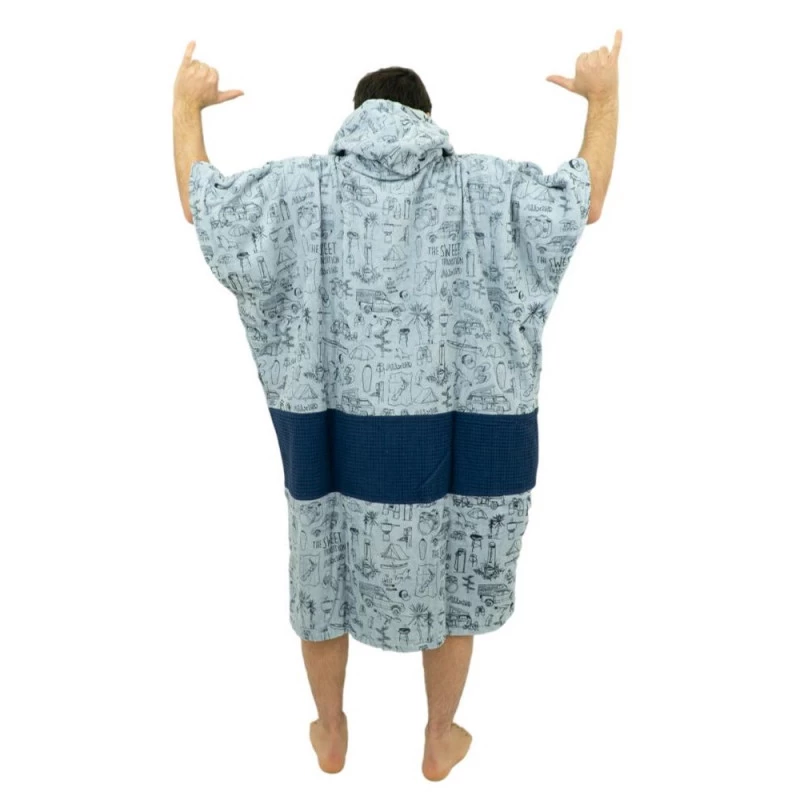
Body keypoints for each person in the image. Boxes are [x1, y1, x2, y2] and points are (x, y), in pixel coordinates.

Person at [172, 31, 620, 780]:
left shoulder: (301, 189)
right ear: (428, 118)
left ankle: (331, 731)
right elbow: (585, 200)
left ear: (357, 114)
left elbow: (205, 209)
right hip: (457, 441)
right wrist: (603, 97)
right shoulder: (485, 187)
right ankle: (439, 737)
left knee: (323, 568)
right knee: (454, 572)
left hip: (337, 446)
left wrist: (185, 105)